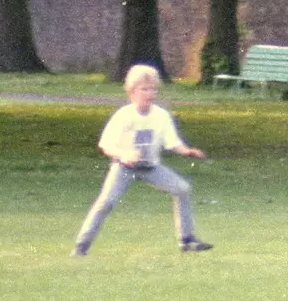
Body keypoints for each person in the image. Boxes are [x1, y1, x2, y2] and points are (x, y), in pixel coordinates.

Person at [73, 64, 211, 255]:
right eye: (144, 89)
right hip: (124, 168)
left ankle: (187, 240)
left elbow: (172, 142)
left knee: (182, 189)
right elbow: (106, 145)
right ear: (131, 91)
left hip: (151, 168)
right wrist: (124, 155)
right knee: (105, 202)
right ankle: (81, 245)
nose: (150, 93)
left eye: (153, 89)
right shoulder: (124, 116)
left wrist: (187, 151)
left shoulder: (161, 116)